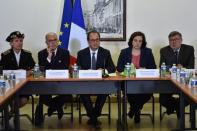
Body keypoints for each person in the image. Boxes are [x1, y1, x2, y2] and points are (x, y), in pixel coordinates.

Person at [77, 30, 116, 128]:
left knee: (104, 91)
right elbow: (77, 68)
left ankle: (93, 116)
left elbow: (112, 68)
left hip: (101, 83)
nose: (95, 42)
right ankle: (93, 116)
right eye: (92, 40)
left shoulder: (105, 52)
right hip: (86, 83)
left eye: (97, 40)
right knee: (82, 92)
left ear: (99, 40)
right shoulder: (81, 53)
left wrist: (103, 71)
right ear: (88, 41)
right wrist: (86, 71)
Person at [117, 31, 156, 123]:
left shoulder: (148, 52)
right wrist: (129, 70)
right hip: (128, 81)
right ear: (131, 41)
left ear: (143, 42)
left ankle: (133, 110)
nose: (137, 43)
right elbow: (119, 67)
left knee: (148, 93)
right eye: (135, 40)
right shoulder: (124, 52)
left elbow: (153, 67)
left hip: (144, 81)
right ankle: (137, 110)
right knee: (131, 92)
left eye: (140, 41)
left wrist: (144, 69)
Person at [35, 32, 72, 126]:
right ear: (46, 42)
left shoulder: (65, 53)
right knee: (43, 98)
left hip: (62, 83)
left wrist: (51, 64)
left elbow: (64, 68)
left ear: (58, 41)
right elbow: (43, 69)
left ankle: (52, 108)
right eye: (50, 40)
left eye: (55, 40)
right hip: (47, 84)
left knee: (67, 96)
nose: (53, 42)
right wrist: (49, 57)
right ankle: (57, 107)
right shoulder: (41, 53)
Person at [159, 31, 195, 118]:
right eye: (171, 40)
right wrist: (173, 68)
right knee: (162, 99)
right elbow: (162, 66)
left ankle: (175, 108)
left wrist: (182, 68)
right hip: (169, 82)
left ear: (181, 40)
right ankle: (178, 108)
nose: (173, 42)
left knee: (188, 98)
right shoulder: (164, 50)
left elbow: (191, 66)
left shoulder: (189, 49)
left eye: (176, 39)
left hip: (185, 81)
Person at [1, 31, 35, 110]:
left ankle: (11, 112)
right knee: (11, 101)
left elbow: (35, 69)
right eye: (16, 41)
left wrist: (29, 72)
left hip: (24, 86)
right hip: (10, 86)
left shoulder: (27, 54)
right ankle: (12, 113)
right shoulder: (5, 55)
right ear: (11, 43)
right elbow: (2, 72)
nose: (19, 43)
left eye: (21, 41)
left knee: (23, 100)